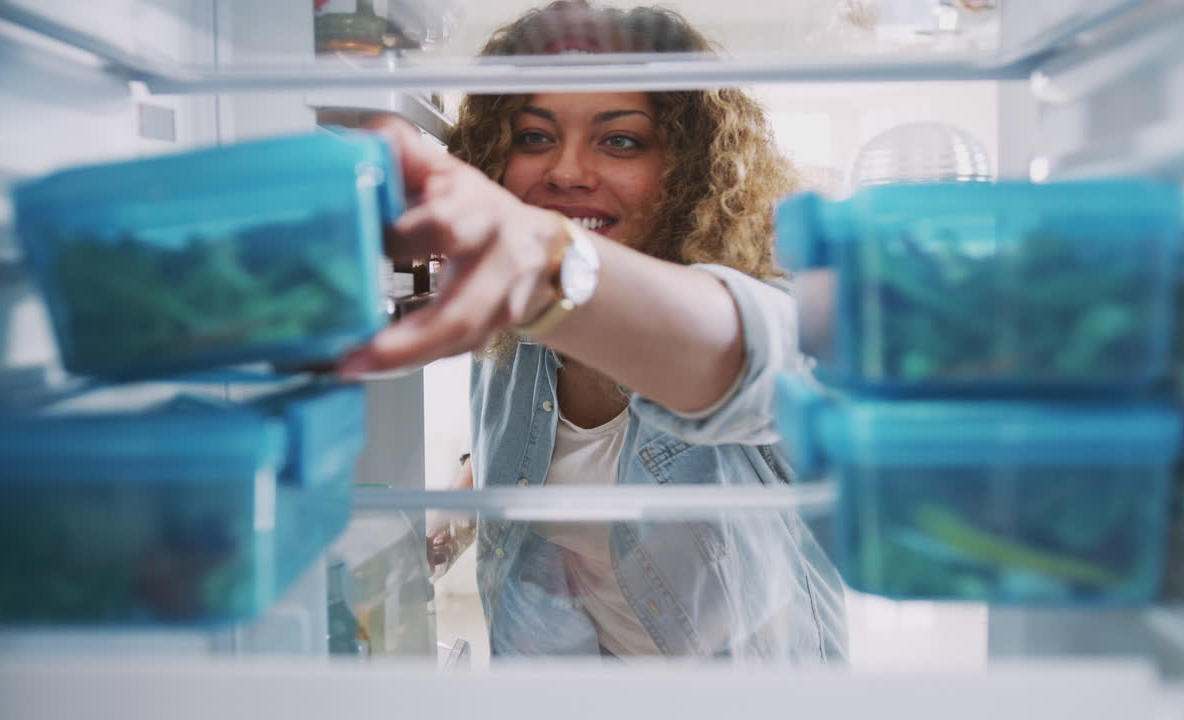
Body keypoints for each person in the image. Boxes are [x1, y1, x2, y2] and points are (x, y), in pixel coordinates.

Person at [342, 0, 847, 662]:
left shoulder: (765, 292)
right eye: (534, 137)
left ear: (688, 168)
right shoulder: (520, 335)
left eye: (620, 141)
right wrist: (454, 514)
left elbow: (765, 357)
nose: (567, 172)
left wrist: (548, 263)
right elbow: (544, 458)